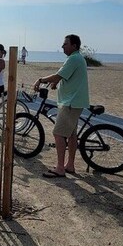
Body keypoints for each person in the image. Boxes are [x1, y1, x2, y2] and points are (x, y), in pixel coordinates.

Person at [33, 34, 89, 179]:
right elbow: (64, 76)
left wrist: (40, 80)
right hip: (74, 101)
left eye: (65, 44)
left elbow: (58, 75)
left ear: (74, 46)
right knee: (71, 135)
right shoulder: (76, 58)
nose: (62, 46)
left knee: (58, 133)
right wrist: (56, 82)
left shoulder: (74, 58)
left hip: (71, 102)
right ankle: (69, 165)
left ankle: (60, 168)